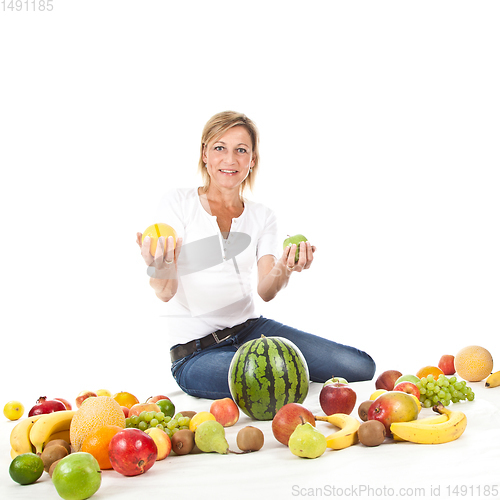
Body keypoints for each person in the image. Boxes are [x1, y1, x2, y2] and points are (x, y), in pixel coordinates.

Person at [136, 111, 375, 400]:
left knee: (359, 366)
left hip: (252, 330)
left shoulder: (262, 217)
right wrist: (159, 267)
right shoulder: (178, 202)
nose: (230, 159)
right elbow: (165, 292)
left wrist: (285, 266)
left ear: (252, 160)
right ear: (204, 154)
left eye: (241, 150)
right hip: (196, 353)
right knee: (274, 381)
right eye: (219, 148)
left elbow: (266, 290)